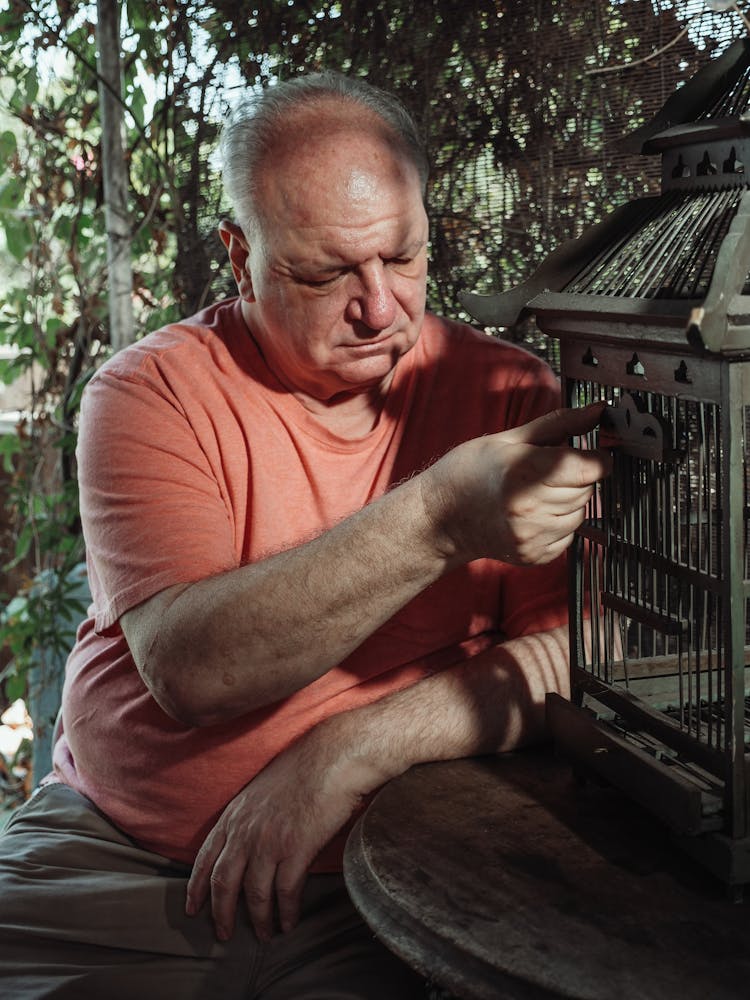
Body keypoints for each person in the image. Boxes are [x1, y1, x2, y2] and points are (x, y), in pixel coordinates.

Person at [0, 71, 611, 998]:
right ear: (239, 256)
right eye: (327, 273)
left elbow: (581, 660)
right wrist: (442, 514)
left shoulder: (509, 397)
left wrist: (345, 754)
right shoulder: (150, 393)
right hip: (115, 859)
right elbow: (193, 671)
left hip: (391, 878)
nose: (380, 308)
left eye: (404, 260)